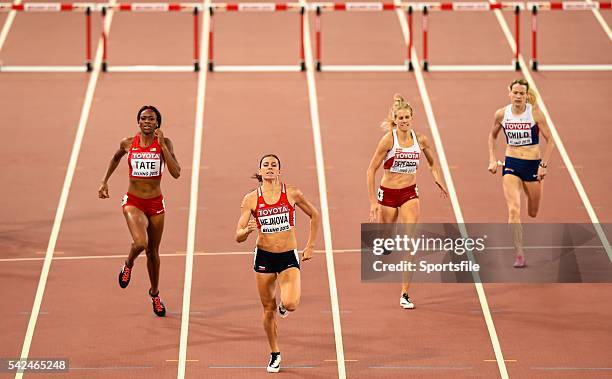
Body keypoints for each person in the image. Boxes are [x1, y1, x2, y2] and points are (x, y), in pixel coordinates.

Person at [235, 154, 320, 373]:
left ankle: (284, 307)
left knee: (290, 303)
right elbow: (238, 234)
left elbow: (315, 215)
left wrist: (310, 245)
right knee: (267, 309)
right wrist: (246, 232)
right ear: (260, 171)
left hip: (287, 257)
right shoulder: (251, 199)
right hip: (264, 257)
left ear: (279, 171)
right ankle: (275, 353)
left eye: (274, 165)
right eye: (266, 165)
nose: (270, 168)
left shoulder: (291, 193)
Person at [367, 94, 448, 309]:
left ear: (412, 118)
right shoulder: (388, 140)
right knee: (385, 234)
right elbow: (371, 169)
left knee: (411, 243)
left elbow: (432, 163)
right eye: (400, 118)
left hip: (409, 194)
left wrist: (437, 178)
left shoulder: (420, 140)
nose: (404, 121)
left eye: (407, 117)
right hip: (388, 193)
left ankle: (404, 294)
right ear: (395, 119)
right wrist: (373, 201)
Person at [98, 105, 181, 317]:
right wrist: (104, 181)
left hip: (156, 204)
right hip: (133, 201)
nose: (147, 122)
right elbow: (116, 158)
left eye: (151, 119)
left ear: (157, 123)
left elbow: (176, 173)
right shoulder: (128, 143)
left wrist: (162, 146)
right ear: (138, 121)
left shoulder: (165, 142)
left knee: (153, 253)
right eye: (143, 118)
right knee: (141, 243)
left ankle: (155, 294)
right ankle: (128, 263)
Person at [488, 78, 555, 268]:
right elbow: (492, 136)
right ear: (509, 93)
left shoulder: (535, 114)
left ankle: (529, 190)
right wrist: (493, 159)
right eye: (515, 92)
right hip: (512, 163)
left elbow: (550, 141)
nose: (518, 96)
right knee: (513, 210)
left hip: (533, 164)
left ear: (526, 95)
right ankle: (519, 253)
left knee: (532, 212)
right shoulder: (502, 114)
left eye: (521, 93)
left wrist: (544, 165)